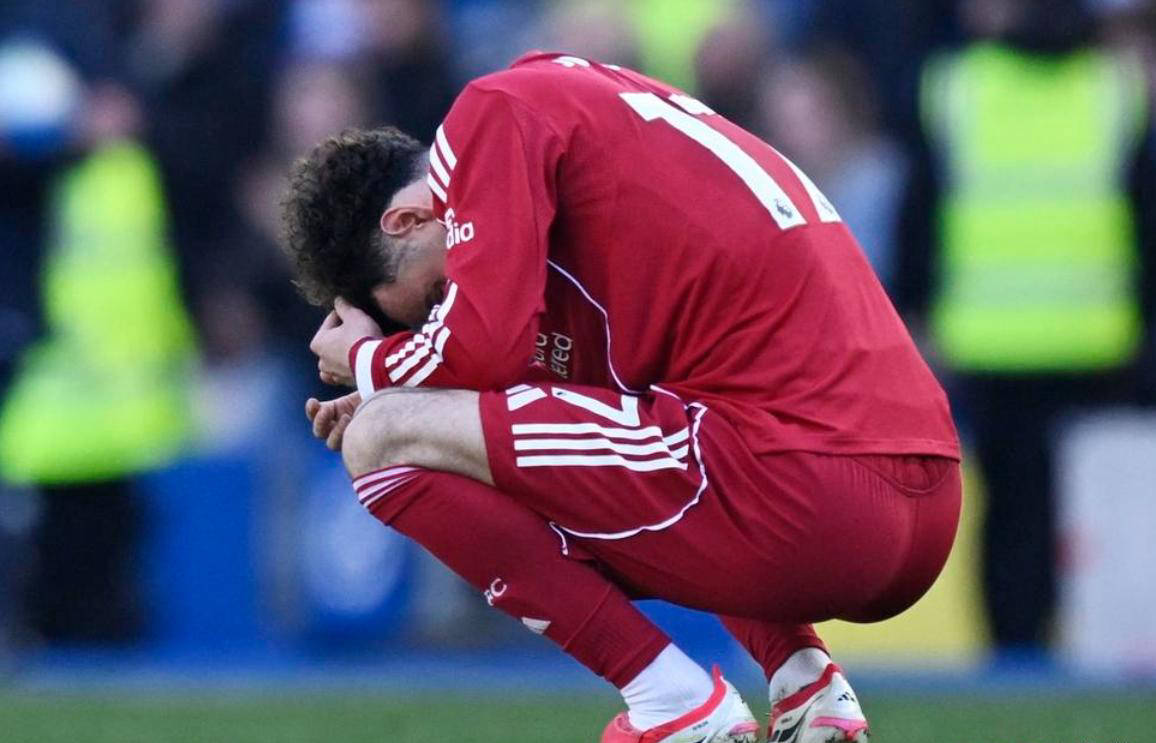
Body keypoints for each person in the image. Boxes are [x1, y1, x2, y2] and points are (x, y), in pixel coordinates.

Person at [282, 51, 961, 743]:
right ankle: (805, 682)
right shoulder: (585, 122)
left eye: (435, 298)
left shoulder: (490, 115)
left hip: (808, 490)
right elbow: (571, 398)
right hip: (920, 497)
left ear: (405, 221)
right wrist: (419, 393)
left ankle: (676, 705)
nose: (444, 309)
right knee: (512, 425)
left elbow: (480, 348)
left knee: (379, 438)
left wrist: (371, 364)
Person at [896, 0, 1155, 658]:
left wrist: (917, 312)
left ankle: (1013, 661)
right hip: (1100, 341)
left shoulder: (956, 86)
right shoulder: (1117, 88)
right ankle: (1085, 656)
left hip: (990, 342)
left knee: (1008, 519)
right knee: (1093, 519)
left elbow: (919, 215)